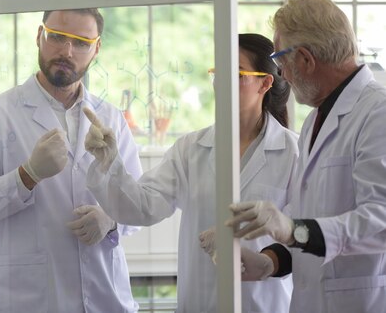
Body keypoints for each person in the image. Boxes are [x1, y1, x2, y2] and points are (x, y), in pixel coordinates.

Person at [84, 33, 297, 313]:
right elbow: (143, 207)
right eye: (217, 71)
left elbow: (304, 239)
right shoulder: (191, 148)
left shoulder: (293, 152)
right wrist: (110, 163)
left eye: (236, 73)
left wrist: (265, 261)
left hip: (265, 305)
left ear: (265, 83)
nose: (221, 82)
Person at [0, 8, 143, 313]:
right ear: (39, 36)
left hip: (107, 300)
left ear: (96, 49)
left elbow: (139, 204)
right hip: (29, 302)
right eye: (57, 37)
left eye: (81, 42)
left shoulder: (110, 118)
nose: (66, 51)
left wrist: (110, 219)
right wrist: (26, 175)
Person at [225, 0, 386, 313]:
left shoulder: (378, 112)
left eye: (281, 60)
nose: (282, 73)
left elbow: (380, 220)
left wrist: (292, 229)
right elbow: (309, 223)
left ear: (305, 59)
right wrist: (270, 262)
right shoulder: (315, 119)